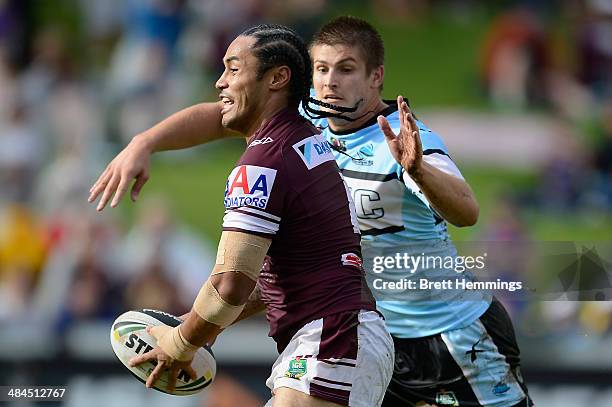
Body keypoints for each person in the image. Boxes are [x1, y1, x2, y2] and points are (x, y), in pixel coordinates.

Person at [90, 17, 532, 407]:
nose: (329, 82)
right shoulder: (305, 123)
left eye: (345, 70)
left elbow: (468, 211)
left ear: (376, 77)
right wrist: (145, 142)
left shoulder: (402, 140)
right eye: (321, 69)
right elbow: (222, 115)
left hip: (448, 333)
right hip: (367, 330)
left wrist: (417, 170)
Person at [104, 24, 394, 407]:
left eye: (233, 69)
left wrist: (180, 342)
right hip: (343, 337)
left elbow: (230, 285)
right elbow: (271, 281)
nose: (219, 83)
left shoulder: (263, 162)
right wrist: (203, 322)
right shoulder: (296, 134)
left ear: (277, 78)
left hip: (332, 338)